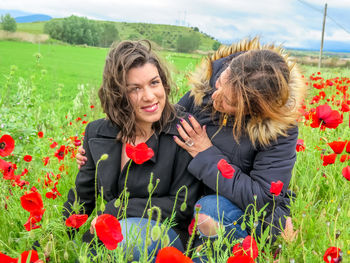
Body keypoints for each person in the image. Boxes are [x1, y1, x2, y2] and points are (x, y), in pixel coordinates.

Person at [76, 38, 306, 255]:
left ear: (253, 109)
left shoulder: (279, 129)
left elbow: (262, 198)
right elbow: (163, 126)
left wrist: (206, 154)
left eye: (228, 101)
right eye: (220, 84)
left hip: (234, 210)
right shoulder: (203, 93)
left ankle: (243, 252)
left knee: (209, 209)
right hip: (188, 209)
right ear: (227, 68)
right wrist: (103, 148)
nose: (215, 97)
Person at [63, 40, 200, 262]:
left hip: (164, 235)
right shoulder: (97, 133)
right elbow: (82, 197)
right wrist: (45, 245)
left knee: (124, 242)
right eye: (135, 89)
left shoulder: (183, 132)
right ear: (118, 94)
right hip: (108, 234)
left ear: (163, 83)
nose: (149, 96)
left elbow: (181, 206)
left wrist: (114, 209)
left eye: (154, 83)